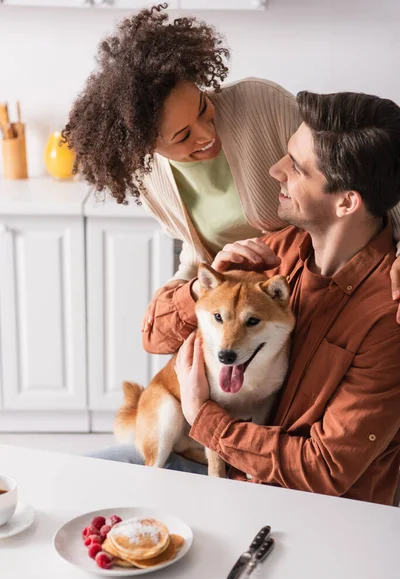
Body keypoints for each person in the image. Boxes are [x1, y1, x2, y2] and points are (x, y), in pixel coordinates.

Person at [62, 3, 400, 324]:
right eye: (182, 137)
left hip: (311, 291)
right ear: (146, 147)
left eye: (202, 107)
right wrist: (177, 299)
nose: (207, 133)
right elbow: (198, 256)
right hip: (241, 311)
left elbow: (366, 175)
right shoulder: (149, 178)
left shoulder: (259, 104)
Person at [143, 90, 400, 506]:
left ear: (347, 201)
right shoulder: (278, 251)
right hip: (230, 469)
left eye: (296, 167)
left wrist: (203, 416)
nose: (275, 170)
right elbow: (153, 335)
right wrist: (208, 288)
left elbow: (326, 469)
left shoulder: (387, 317)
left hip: (302, 512)